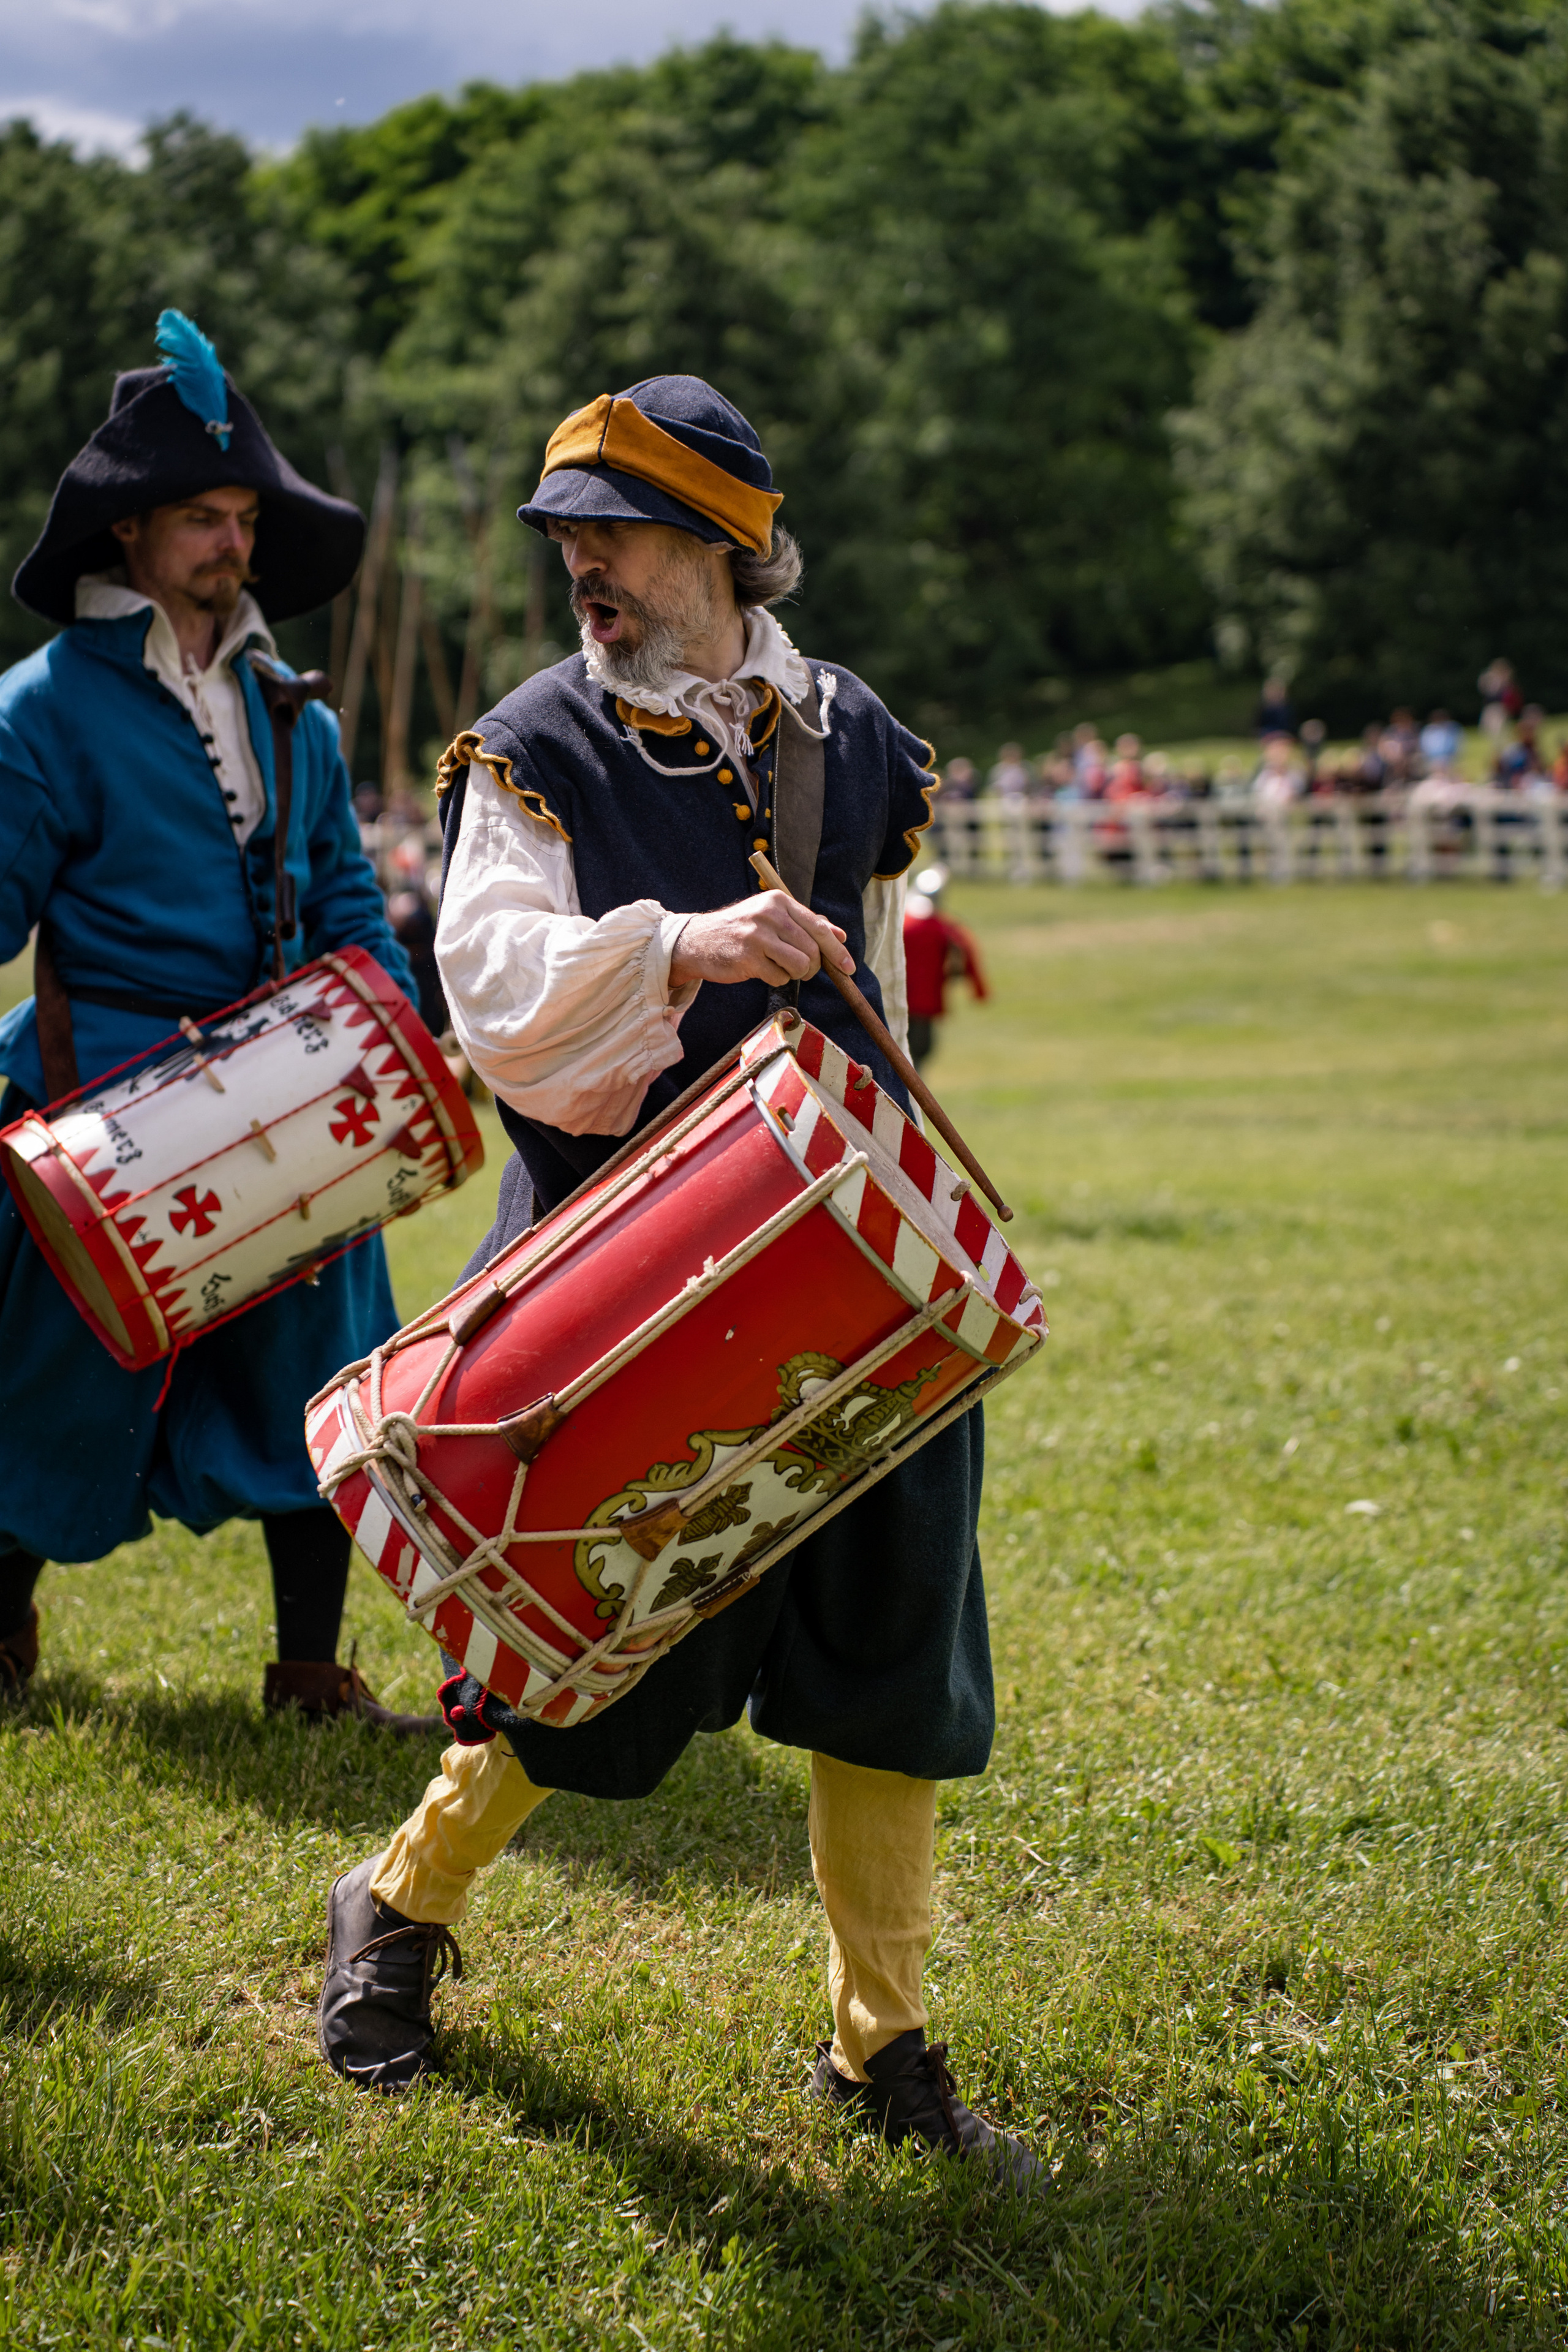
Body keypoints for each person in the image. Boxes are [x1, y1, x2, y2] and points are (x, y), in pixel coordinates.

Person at [315, 374, 1044, 2192]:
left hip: (846, 1268)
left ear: (726, 544)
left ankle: (875, 2037)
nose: (585, 568)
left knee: (892, 1647)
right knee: (603, 1655)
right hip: (624, 1257)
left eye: (617, 534)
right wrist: (678, 942)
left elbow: (865, 965)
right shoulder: (540, 741)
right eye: (566, 538)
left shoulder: (850, 728)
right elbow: (492, 991)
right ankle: (396, 1899)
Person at [0, 312, 437, 1730]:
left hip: (298, 1102)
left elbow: (351, 912)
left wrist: (396, 1034)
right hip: (103, 1095)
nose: (231, 543)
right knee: (47, 1381)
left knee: (315, 1378)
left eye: (245, 516)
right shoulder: (43, 711)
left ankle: (308, 1673)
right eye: (202, 516)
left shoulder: (293, 715)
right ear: (128, 533)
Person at [902, 864, 989, 1069]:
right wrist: (979, 990)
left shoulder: (899, 923)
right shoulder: (944, 927)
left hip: (893, 997)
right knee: (918, 1057)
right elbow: (967, 952)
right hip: (926, 1004)